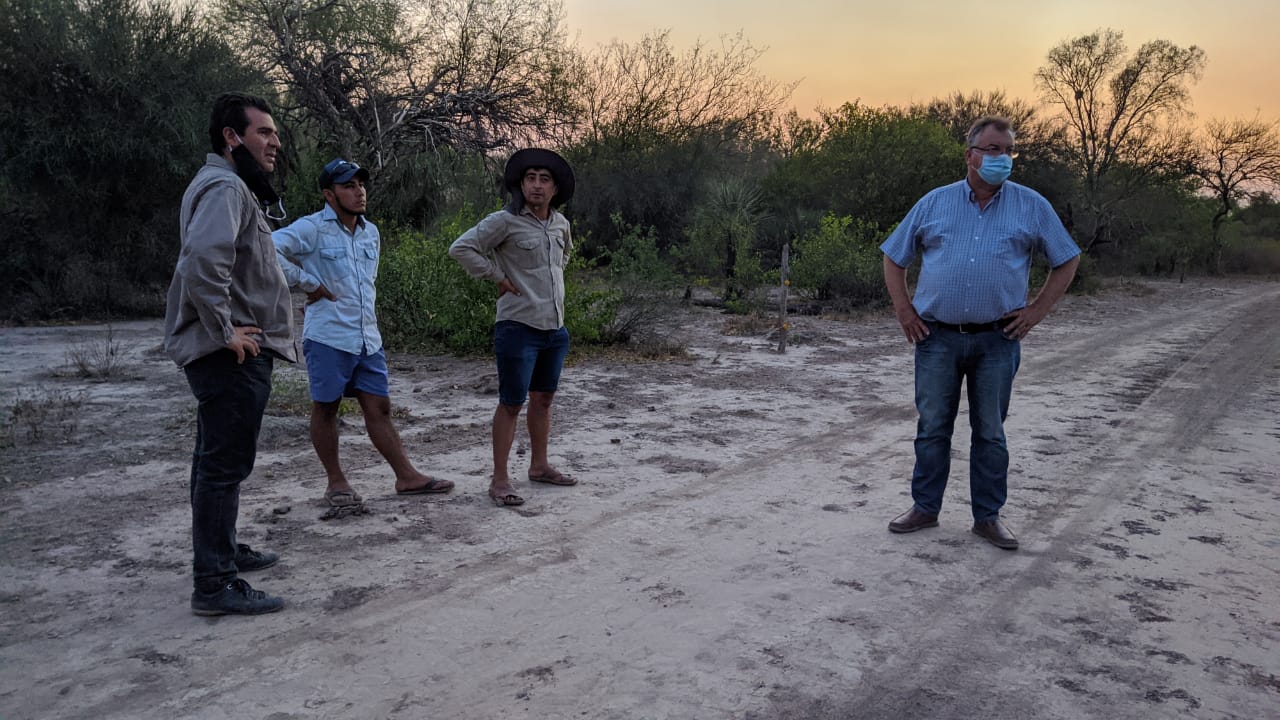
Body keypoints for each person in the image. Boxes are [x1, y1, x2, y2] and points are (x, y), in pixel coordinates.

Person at [879, 116, 1081, 550]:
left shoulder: (1031, 205)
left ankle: (987, 517)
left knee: (990, 431)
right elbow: (894, 256)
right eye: (992, 150)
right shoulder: (935, 202)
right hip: (936, 337)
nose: (1001, 158)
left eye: (1007, 150)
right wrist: (904, 310)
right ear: (970, 155)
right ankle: (924, 508)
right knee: (933, 427)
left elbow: (1067, 258)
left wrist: (1036, 311)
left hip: (997, 340)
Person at [163, 92, 295, 615]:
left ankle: (223, 551)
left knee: (215, 460)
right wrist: (225, 332)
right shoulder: (224, 187)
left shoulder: (229, 185)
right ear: (231, 137)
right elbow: (202, 260)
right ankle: (214, 584)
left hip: (228, 351)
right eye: (264, 132)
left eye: (275, 133)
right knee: (223, 464)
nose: (274, 143)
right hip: (231, 355)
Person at [273, 158, 455, 507]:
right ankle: (336, 482)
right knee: (326, 408)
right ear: (329, 194)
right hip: (328, 337)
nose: (359, 192)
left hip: (367, 338)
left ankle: (407, 476)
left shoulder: (371, 232)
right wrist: (306, 282)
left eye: (360, 185)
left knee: (380, 407)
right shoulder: (312, 228)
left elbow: (365, 283)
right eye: (348, 186)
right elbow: (269, 248)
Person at [448, 148, 579, 507]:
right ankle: (500, 479)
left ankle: (540, 466)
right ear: (520, 185)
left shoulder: (561, 224)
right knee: (511, 403)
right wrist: (497, 276)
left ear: (555, 188)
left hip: (554, 328)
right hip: (518, 326)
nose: (537, 185)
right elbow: (461, 248)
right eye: (530, 178)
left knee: (544, 399)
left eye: (544, 179)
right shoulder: (504, 221)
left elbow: (565, 257)